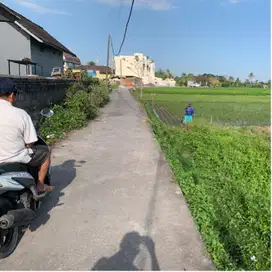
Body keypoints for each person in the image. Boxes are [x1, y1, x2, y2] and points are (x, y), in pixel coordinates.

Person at [0, 78, 53, 193]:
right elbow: (30, 142)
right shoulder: (20, 114)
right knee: (46, 152)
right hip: (15, 158)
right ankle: (40, 185)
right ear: (12, 95)